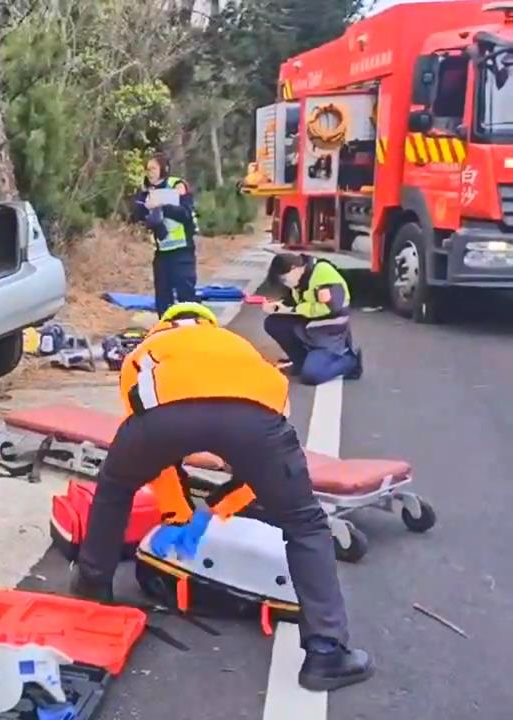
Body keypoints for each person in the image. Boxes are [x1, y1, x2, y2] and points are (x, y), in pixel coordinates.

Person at [71, 302, 373, 692]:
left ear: (163, 326)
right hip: (254, 420)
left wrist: (177, 512)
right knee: (305, 525)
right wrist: (225, 505)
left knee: (115, 487)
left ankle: (93, 588)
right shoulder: (239, 346)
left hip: (164, 419)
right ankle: (326, 654)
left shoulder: (145, 352)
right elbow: (273, 437)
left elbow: (146, 438)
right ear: (210, 325)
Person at [263, 253, 362, 385]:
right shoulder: (299, 280)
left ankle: (350, 362)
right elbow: (295, 302)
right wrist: (277, 306)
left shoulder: (323, 273)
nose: (285, 284)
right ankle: (300, 361)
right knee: (273, 322)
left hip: (329, 333)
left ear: (294, 268)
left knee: (312, 376)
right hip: (310, 329)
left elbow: (331, 307)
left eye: (284, 279)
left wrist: (293, 310)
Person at [132, 153, 199, 316]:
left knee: (186, 296)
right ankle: (166, 327)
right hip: (162, 252)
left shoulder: (176, 185)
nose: (150, 173)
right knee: (163, 299)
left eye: (153, 169)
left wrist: (162, 206)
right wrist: (145, 208)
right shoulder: (147, 191)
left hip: (182, 250)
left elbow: (186, 214)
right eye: (148, 169)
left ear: (164, 168)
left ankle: (190, 327)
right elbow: (137, 216)